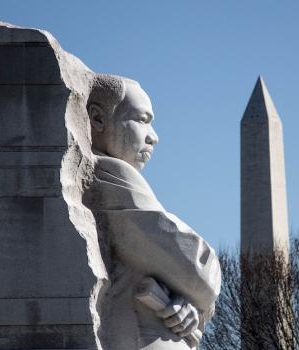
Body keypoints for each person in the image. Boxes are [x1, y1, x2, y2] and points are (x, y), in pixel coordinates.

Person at [83, 74, 221, 350]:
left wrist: (188, 303)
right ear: (97, 119)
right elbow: (193, 266)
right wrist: (197, 291)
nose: (153, 137)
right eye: (141, 120)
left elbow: (182, 277)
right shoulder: (109, 172)